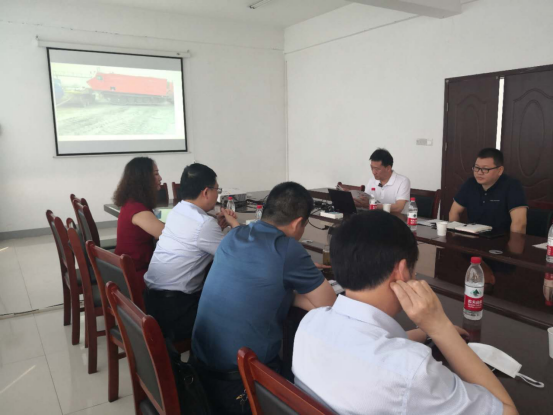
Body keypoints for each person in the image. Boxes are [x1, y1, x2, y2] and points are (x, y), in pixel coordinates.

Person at [293, 211, 518, 415]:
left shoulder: (311, 323)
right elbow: (507, 411)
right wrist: (441, 328)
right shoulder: (410, 371)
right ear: (402, 271)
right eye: (414, 269)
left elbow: (364, 345)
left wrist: (424, 332)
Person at [191, 182, 337, 414]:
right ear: (298, 223)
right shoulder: (288, 249)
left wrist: (282, 290)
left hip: (200, 372)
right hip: (242, 385)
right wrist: (293, 287)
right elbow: (329, 304)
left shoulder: (233, 235)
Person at [143, 163, 239, 343]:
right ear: (206, 192)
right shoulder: (204, 223)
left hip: (153, 302)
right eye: (217, 190)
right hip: (176, 311)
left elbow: (194, 239)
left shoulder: (177, 210)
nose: (217, 195)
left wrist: (217, 228)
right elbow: (236, 258)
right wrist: (235, 225)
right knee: (235, 310)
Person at [113, 157, 165, 293]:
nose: (160, 178)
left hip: (128, 269)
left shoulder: (132, 203)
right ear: (143, 178)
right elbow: (167, 234)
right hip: (133, 277)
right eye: (156, 174)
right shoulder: (137, 209)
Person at [449, 148, 527, 233]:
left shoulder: (512, 186)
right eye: (476, 167)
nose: (479, 172)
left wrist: (514, 241)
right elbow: (454, 212)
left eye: (485, 169)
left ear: (500, 170)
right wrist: (454, 234)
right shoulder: (470, 183)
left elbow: (519, 223)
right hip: (473, 237)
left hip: (501, 238)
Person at [354, 148, 410, 213]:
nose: (373, 172)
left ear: (388, 168)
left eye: (377, 169)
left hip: (396, 217)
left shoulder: (403, 181)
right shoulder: (372, 180)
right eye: (371, 168)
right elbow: (366, 200)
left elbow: (398, 207)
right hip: (375, 216)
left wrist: (372, 206)